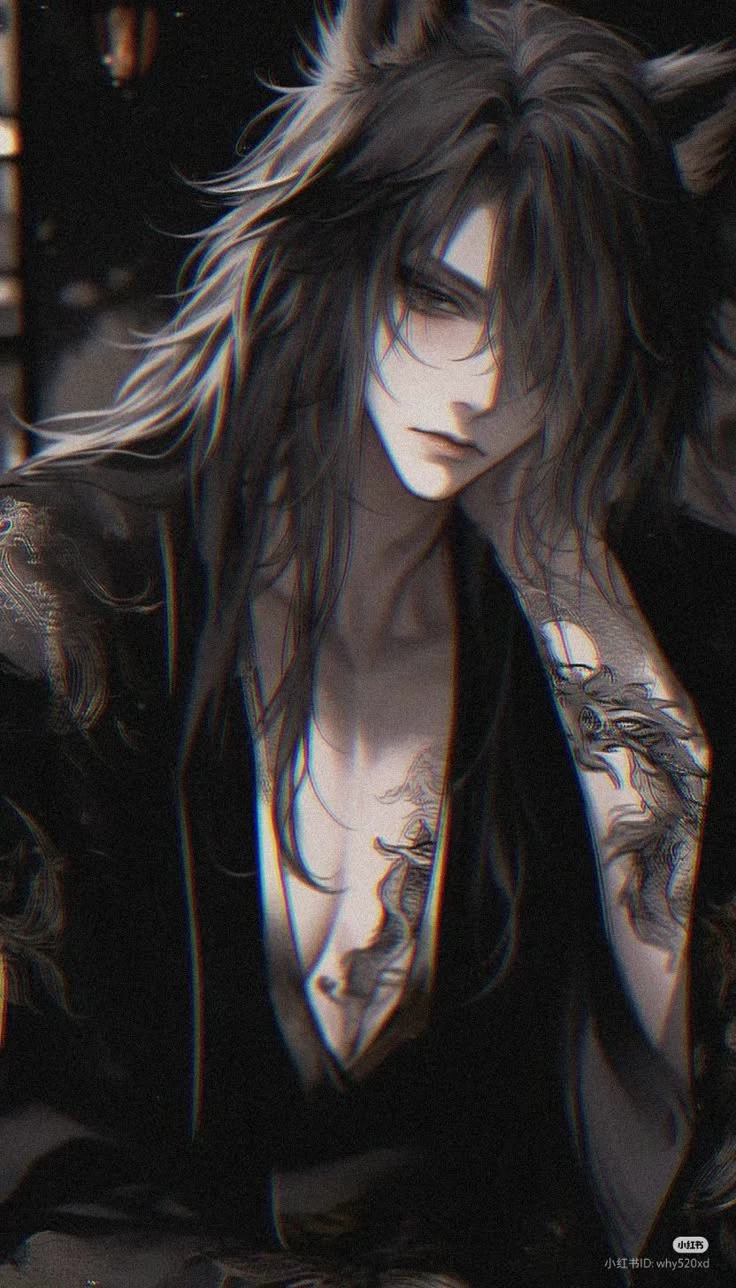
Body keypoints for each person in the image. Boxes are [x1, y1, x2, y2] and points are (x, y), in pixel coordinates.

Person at [1, 1, 736, 1284]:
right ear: (337, 253)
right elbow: (26, 1141)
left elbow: (681, 1104)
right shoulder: (66, 582)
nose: (483, 385)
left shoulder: (617, 613)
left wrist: (565, 574)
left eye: (548, 330)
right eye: (438, 296)